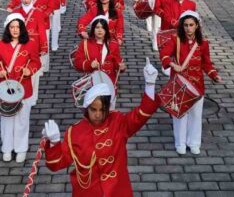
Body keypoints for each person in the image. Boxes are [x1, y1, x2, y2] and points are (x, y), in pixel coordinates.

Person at [43, 59, 160, 196]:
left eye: (102, 110)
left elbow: (141, 115)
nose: (98, 115)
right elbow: (55, 165)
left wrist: (150, 85)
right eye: (93, 110)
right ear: (86, 108)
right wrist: (54, 143)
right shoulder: (74, 132)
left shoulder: (118, 122)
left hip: (118, 190)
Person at [159, 10, 221, 154]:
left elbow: (206, 63)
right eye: (186, 25)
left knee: (196, 114)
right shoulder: (176, 40)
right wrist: (173, 65)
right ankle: (180, 143)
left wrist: (214, 75)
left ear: (197, 26)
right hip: (179, 82)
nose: (188, 28)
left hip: (197, 84)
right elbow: (164, 54)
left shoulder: (203, 43)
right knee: (179, 113)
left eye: (191, 25)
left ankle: (194, 142)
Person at [0, 13, 40, 163]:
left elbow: (36, 62)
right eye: (12, 27)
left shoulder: (30, 43)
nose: (15, 30)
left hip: (23, 87)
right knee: (6, 119)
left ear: (22, 28)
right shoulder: (0, 44)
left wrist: (29, 70)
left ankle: (21, 149)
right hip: (6, 88)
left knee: (22, 120)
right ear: (7, 28)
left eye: (18, 27)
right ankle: (7, 148)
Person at [72, 16, 126, 100]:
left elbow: (117, 62)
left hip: (110, 83)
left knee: (110, 111)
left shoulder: (113, 44)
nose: (100, 30)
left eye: (102, 27)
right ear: (93, 29)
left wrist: (121, 67)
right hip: (92, 84)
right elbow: (77, 63)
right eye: (97, 27)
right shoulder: (85, 43)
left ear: (106, 29)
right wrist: (89, 64)